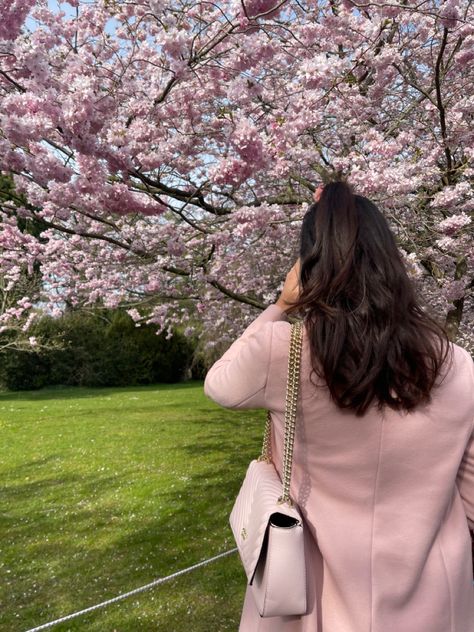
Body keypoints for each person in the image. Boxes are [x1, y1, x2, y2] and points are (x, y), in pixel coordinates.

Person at [204, 181, 474, 632]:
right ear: (391, 262)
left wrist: (282, 305)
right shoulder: (456, 364)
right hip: (435, 594)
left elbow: (219, 385)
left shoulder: (284, 352)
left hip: (314, 594)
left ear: (310, 264)